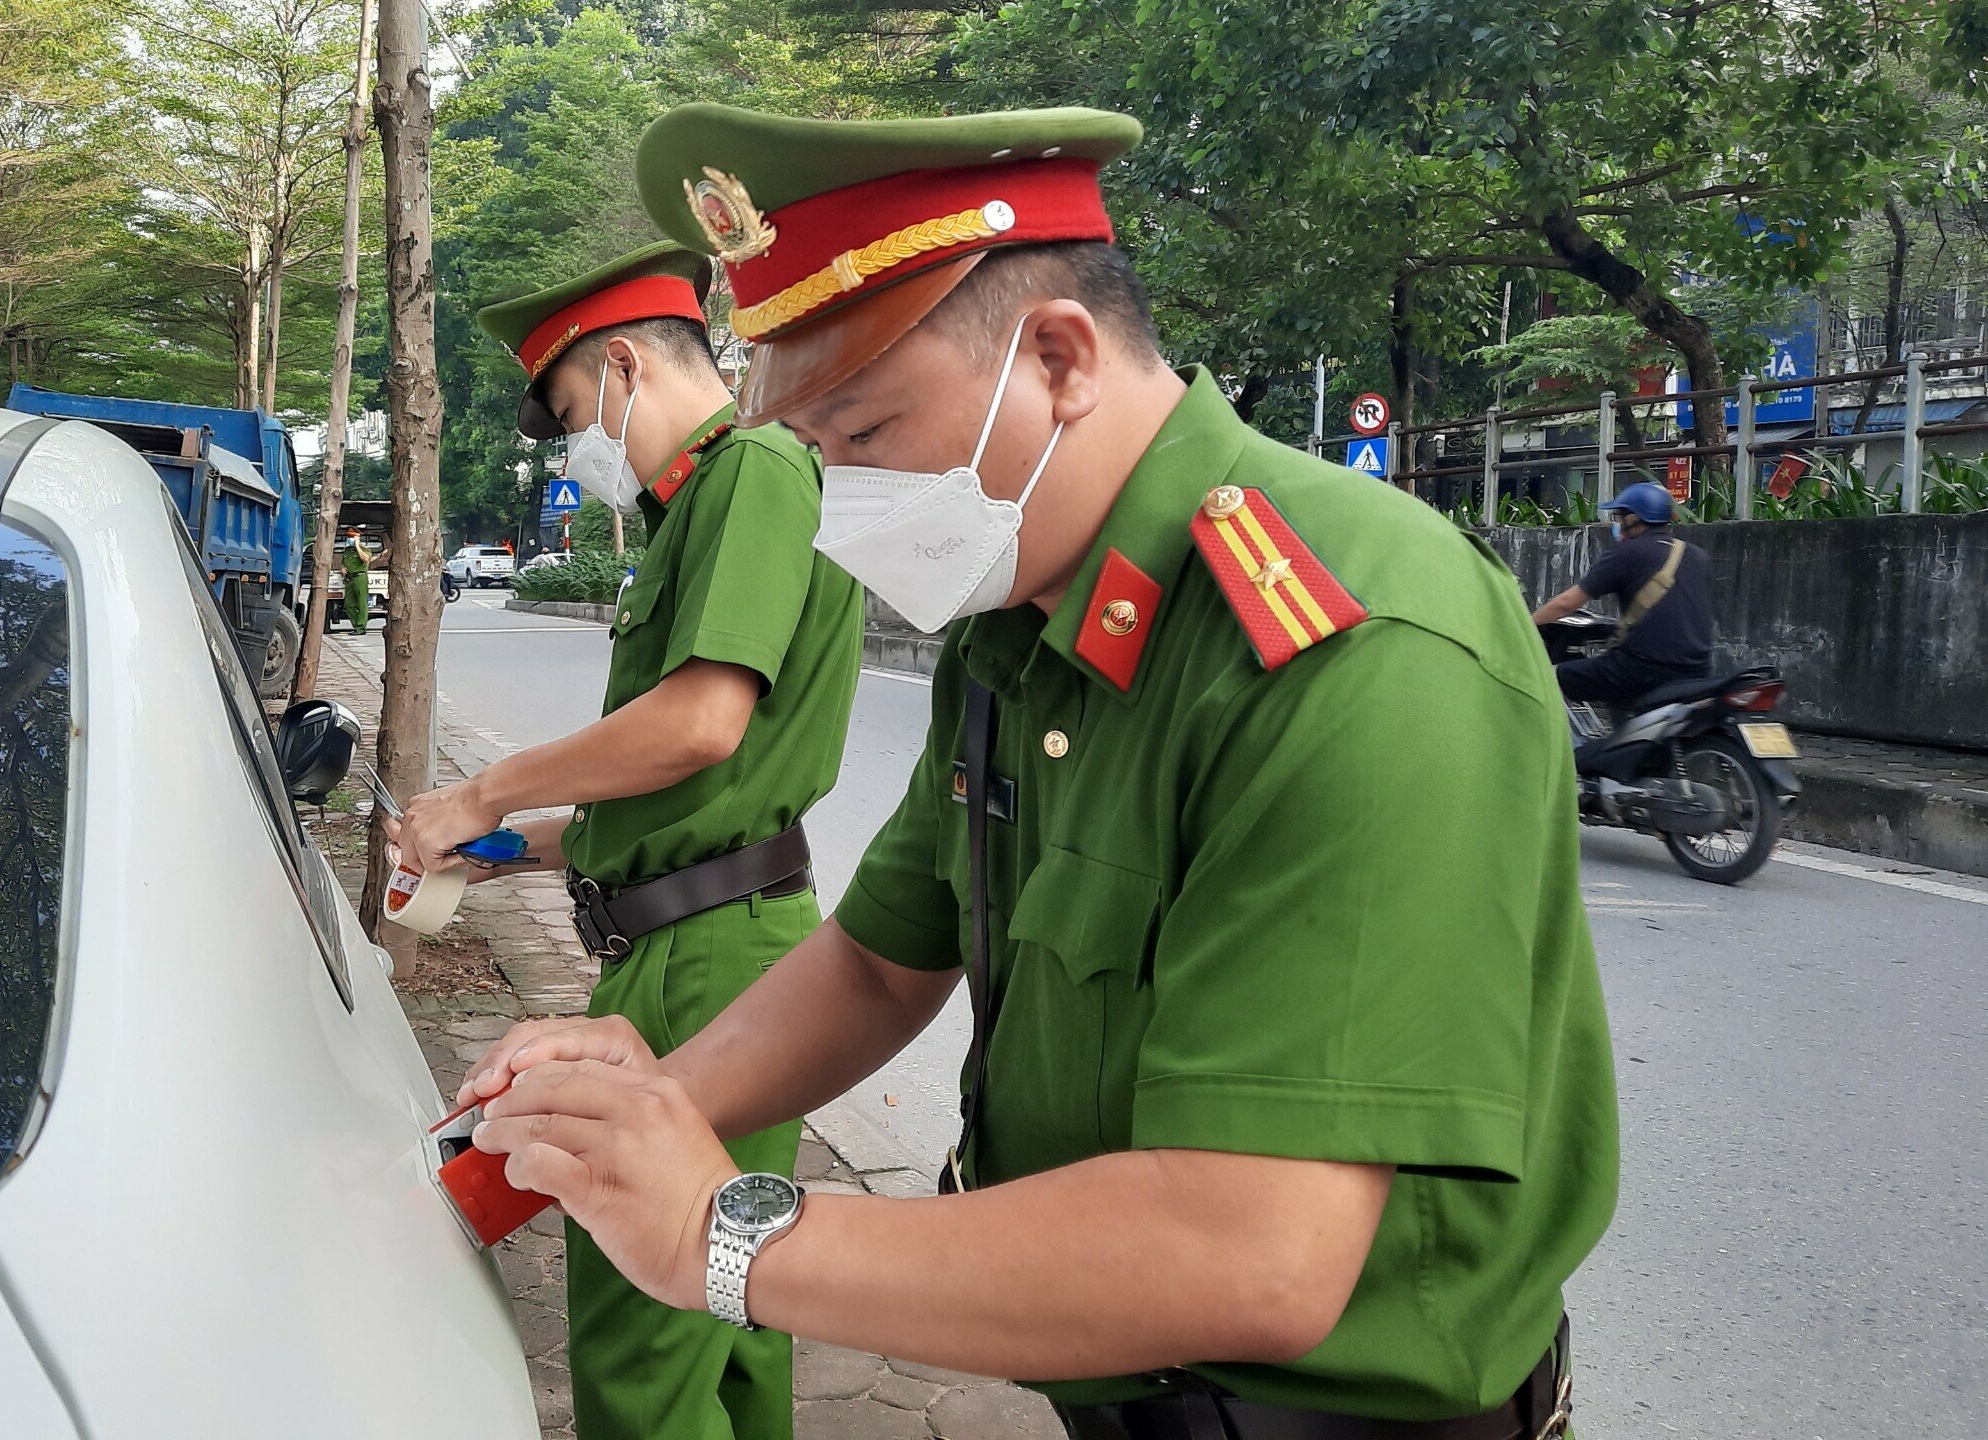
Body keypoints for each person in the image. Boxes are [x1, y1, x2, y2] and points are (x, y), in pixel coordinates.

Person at [455, 104, 1618, 1439]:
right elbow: (888, 958)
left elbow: (1256, 1251)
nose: (838, 510)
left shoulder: (1347, 649)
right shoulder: (1016, 620)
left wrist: (728, 1237)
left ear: (1059, 357)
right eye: (812, 456)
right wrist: (650, 1100)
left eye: (867, 434)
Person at [396, 241, 864, 1440]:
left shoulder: (752, 470)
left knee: (642, 1327)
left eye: (568, 419)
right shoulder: (705, 501)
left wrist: (485, 792)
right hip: (700, 934)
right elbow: (657, 799)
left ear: (620, 365)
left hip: (706, 957)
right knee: (725, 1308)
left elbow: (700, 725)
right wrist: (496, 849)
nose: (573, 451)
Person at [1530, 481, 1715, 706]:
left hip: (1640, 670)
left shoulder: (1627, 553)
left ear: (1633, 519)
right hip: (1699, 670)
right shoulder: (1696, 555)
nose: (1618, 523)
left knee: (1546, 678)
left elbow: (1567, 603)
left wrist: (1526, 625)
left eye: (1621, 516)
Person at [340, 526, 376, 634]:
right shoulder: (347, 551)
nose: (349, 539)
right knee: (349, 604)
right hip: (349, 579)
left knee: (361, 603)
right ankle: (356, 625)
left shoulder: (365, 550)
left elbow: (365, 559)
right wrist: (342, 568)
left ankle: (360, 627)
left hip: (360, 578)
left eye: (352, 537)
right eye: (348, 537)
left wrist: (357, 546)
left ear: (358, 538)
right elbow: (343, 562)